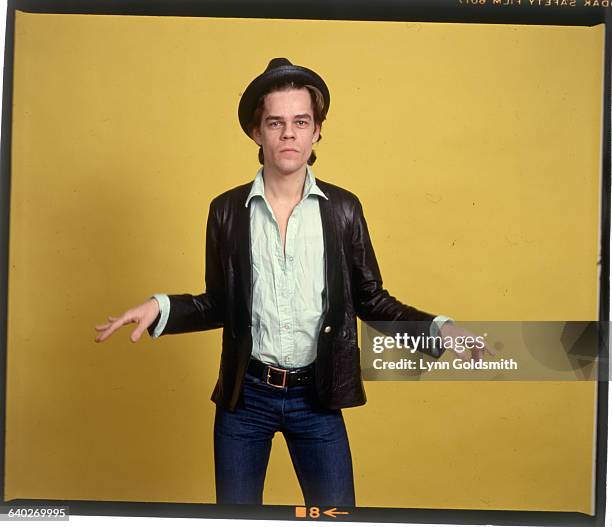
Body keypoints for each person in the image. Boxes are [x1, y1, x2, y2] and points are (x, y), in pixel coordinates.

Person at [94, 58, 491, 507]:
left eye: (301, 122)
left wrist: (438, 328)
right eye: (276, 122)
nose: (289, 133)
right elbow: (221, 303)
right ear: (256, 132)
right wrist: (160, 308)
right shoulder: (226, 211)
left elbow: (371, 299)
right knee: (237, 520)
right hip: (246, 399)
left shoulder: (343, 210)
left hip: (317, 397)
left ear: (316, 131)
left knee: (336, 516)